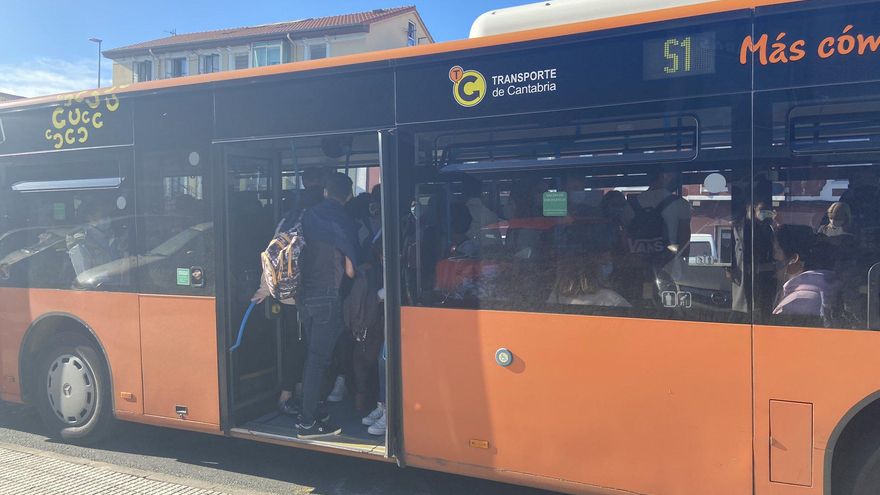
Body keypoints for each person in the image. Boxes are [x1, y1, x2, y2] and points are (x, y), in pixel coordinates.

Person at [295, 172, 359, 438]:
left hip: (304, 296)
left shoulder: (308, 215)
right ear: (348, 196)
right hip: (327, 295)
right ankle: (307, 422)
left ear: (325, 192)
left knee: (314, 356)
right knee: (319, 360)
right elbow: (351, 270)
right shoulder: (342, 219)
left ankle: (316, 410)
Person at [772, 224, 839, 322]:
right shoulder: (820, 289)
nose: (772, 256)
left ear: (794, 259)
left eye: (776, 250)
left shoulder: (796, 303)